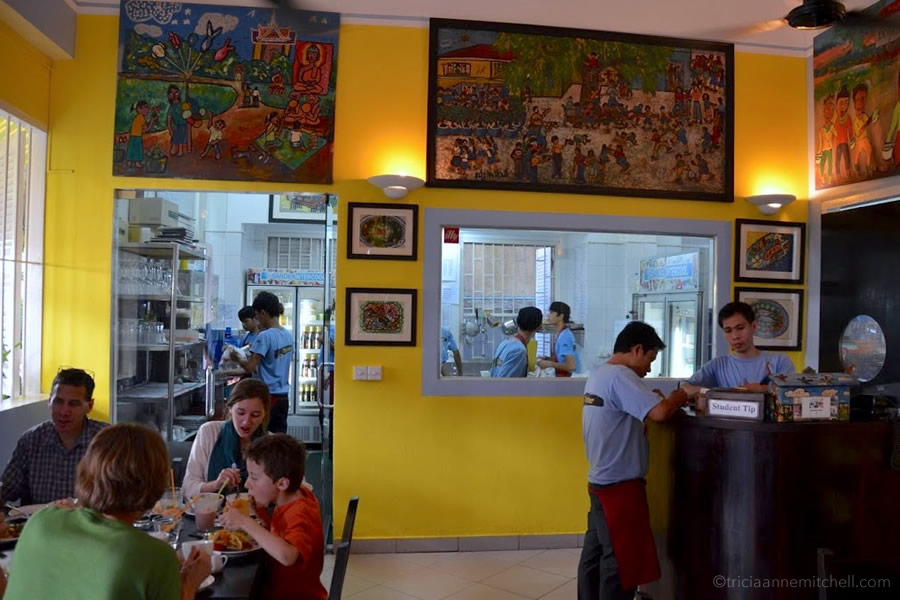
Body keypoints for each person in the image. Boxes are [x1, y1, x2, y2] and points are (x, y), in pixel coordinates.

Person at [4, 423, 211, 600]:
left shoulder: (40, 521)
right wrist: (189, 582)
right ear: (155, 482)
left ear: (86, 470)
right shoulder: (154, 556)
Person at [578, 322, 689, 600]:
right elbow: (661, 413)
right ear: (637, 349)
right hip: (619, 485)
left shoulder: (600, 374)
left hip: (600, 479)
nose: (649, 369)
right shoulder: (621, 376)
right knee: (620, 561)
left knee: (595, 555)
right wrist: (681, 395)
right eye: (650, 359)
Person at [220, 434, 327, 600]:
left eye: (254, 477)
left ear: (282, 483)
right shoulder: (293, 497)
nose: (247, 484)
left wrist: (244, 522)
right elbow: (281, 532)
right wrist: (257, 511)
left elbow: (288, 556)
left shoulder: (300, 512)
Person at [0, 368, 107, 506]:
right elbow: (6, 490)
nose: (64, 411)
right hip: (38, 519)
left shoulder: (106, 442)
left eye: (73, 404)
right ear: (49, 401)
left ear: (90, 406)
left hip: (89, 519)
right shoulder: (31, 440)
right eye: (58, 401)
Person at [681, 301, 795, 395]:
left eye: (740, 328)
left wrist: (761, 389)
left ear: (754, 326)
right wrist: (712, 392)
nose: (735, 336)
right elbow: (684, 387)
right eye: (728, 331)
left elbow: (794, 392)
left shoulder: (779, 361)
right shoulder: (718, 365)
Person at [182, 379, 271, 499]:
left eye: (255, 415)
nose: (246, 422)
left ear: (265, 414)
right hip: (212, 510)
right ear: (230, 409)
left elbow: (289, 491)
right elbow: (188, 488)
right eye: (240, 413)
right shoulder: (209, 432)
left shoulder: (272, 444)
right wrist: (216, 484)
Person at [230, 291, 294, 433]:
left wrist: (237, 358)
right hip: (283, 396)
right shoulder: (287, 335)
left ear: (263, 313)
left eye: (257, 315)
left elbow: (250, 367)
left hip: (267, 396)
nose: (257, 320)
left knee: (262, 438)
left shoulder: (264, 336)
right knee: (278, 437)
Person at [490, 307, 543, 377]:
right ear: (539, 327)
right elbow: (507, 381)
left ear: (517, 323)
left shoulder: (505, 343)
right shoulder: (519, 350)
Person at [537, 301, 582, 377]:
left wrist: (550, 364)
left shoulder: (565, 336)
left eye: (551, 313)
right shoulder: (562, 333)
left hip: (569, 378)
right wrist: (548, 359)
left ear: (560, 316)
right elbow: (562, 358)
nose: (548, 315)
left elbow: (571, 366)